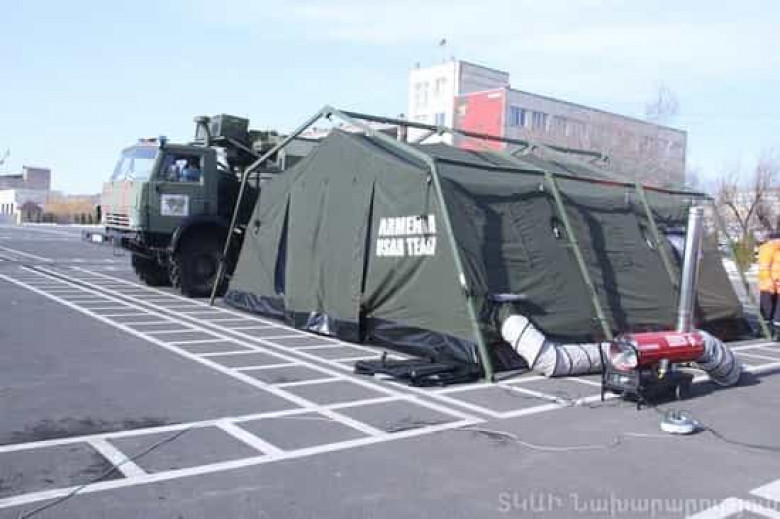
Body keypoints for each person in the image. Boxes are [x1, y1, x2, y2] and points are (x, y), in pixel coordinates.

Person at [757, 233, 780, 336]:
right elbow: (764, 268)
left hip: (777, 284)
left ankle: (776, 330)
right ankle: (764, 330)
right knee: (767, 308)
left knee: (777, 310)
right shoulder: (767, 249)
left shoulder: (777, 250)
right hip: (768, 285)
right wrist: (769, 282)